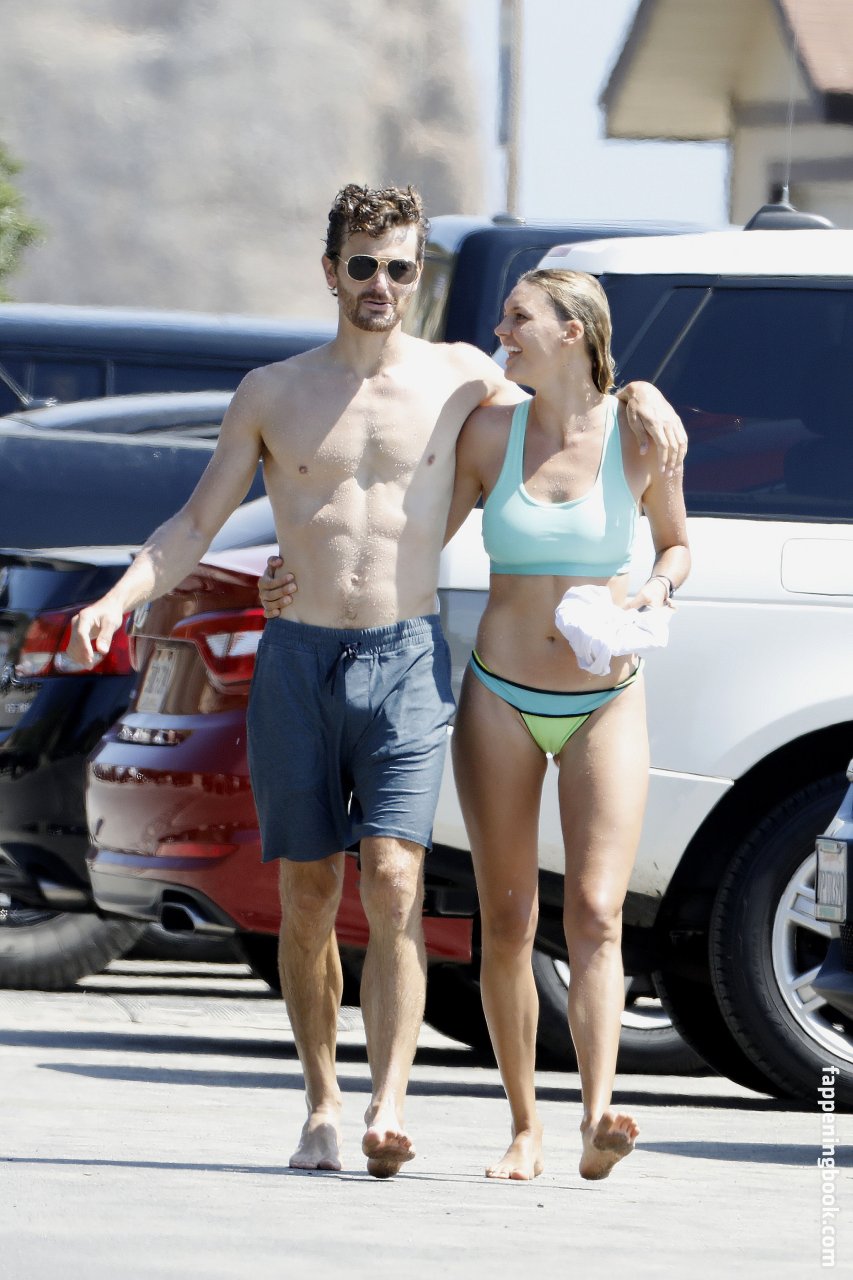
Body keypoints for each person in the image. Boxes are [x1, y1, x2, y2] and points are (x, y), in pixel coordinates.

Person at [68, 184, 686, 1181]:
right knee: (308, 891)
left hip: (404, 656)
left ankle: (388, 1106)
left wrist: (644, 392)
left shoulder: (462, 376)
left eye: (401, 267)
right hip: (298, 655)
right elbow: (194, 522)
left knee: (396, 876)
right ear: (331, 271)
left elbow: (577, 401)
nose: (382, 284)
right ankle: (322, 1100)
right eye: (363, 265)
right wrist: (120, 594)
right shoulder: (271, 391)